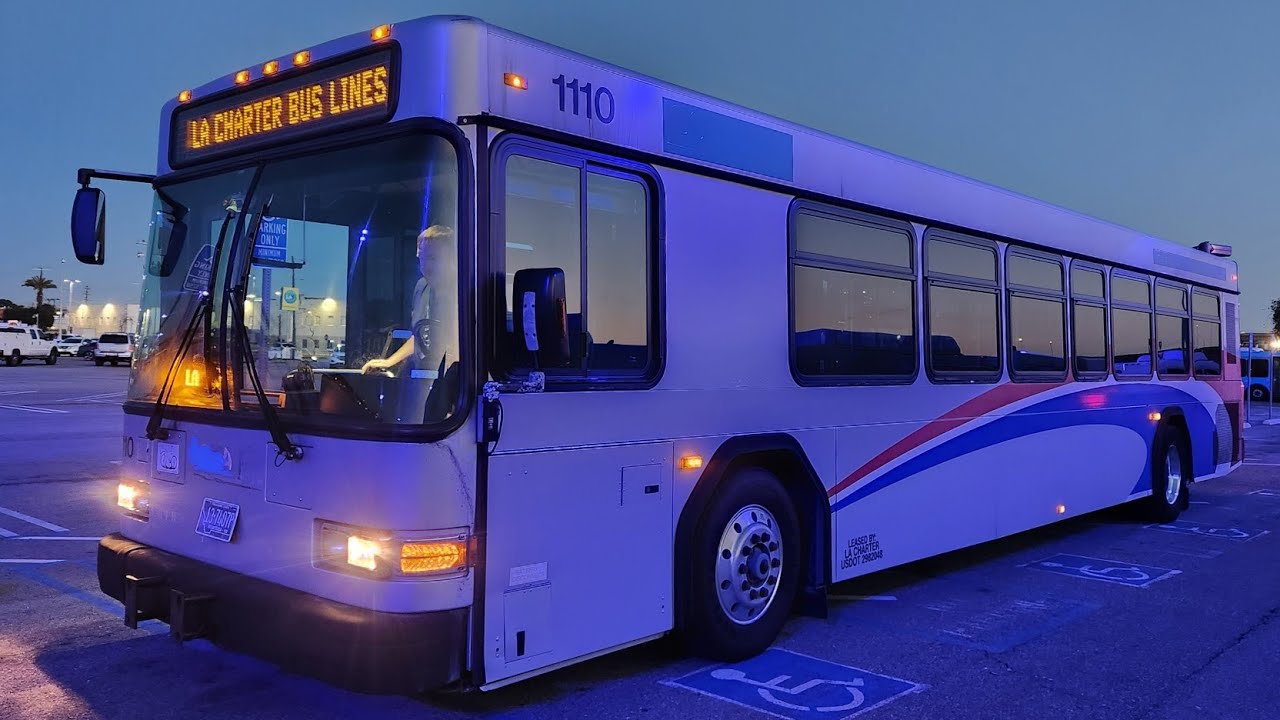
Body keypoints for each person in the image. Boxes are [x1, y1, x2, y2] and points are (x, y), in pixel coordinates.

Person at [361, 224, 459, 379]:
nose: (426, 265)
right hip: (426, 377)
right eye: (422, 258)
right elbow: (419, 338)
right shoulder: (421, 287)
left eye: (433, 258)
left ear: (452, 258)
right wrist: (388, 362)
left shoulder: (464, 289)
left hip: (455, 378)